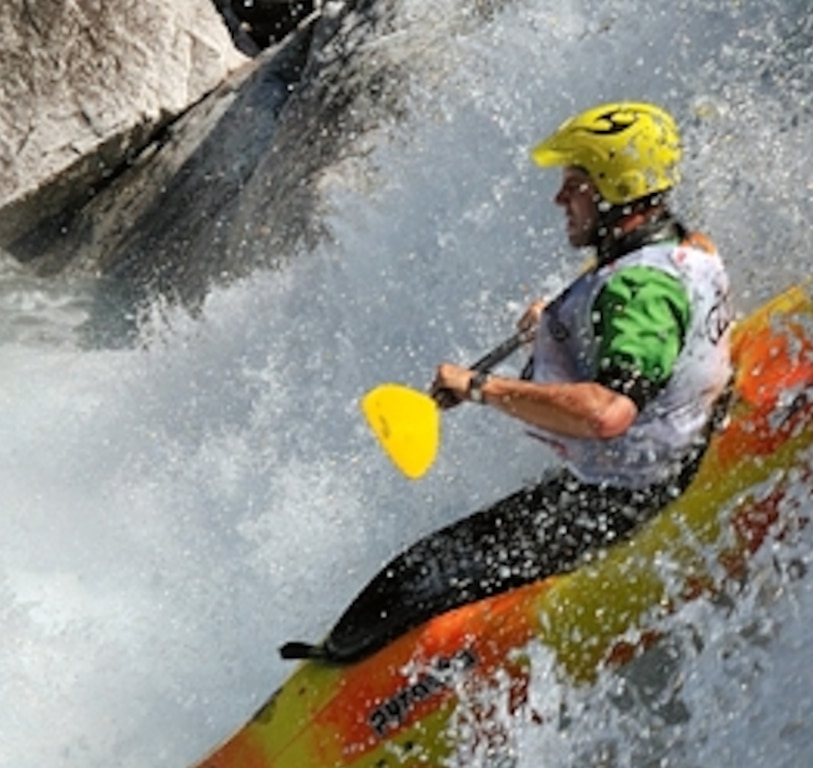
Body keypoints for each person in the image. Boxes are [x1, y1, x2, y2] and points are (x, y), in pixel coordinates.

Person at [282, 102, 735, 666]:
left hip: (625, 494)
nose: (560, 200)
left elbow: (607, 413)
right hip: (673, 449)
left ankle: (339, 676)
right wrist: (564, 323)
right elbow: (659, 313)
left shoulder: (637, 289)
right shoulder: (685, 247)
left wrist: (480, 388)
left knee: (417, 573)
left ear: (613, 193)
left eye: (575, 186)